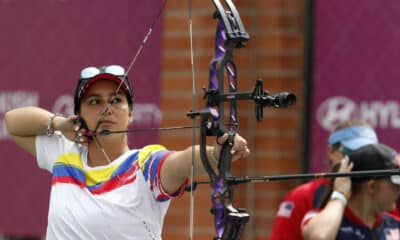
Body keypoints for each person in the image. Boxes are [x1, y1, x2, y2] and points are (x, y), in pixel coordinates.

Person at [4, 65, 250, 240]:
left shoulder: (144, 164)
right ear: (78, 113)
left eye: (116, 100)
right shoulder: (64, 153)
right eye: (94, 102)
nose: (106, 109)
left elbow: (182, 161)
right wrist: (58, 124)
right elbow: (13, 122)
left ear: (131, 113)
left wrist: (216, 153)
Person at [270, 120, 378, 240]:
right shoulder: (302, 196)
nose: (361, 159)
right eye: (354, 152)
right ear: (331, 151)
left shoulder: (381, 194)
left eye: (369, 154)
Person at [301, 143, 400, 239]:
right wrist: (340, 195)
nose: (399, 190)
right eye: (396, 184)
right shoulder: (318, 220)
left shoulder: (395, 225)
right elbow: (319, 237)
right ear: (372, 186)